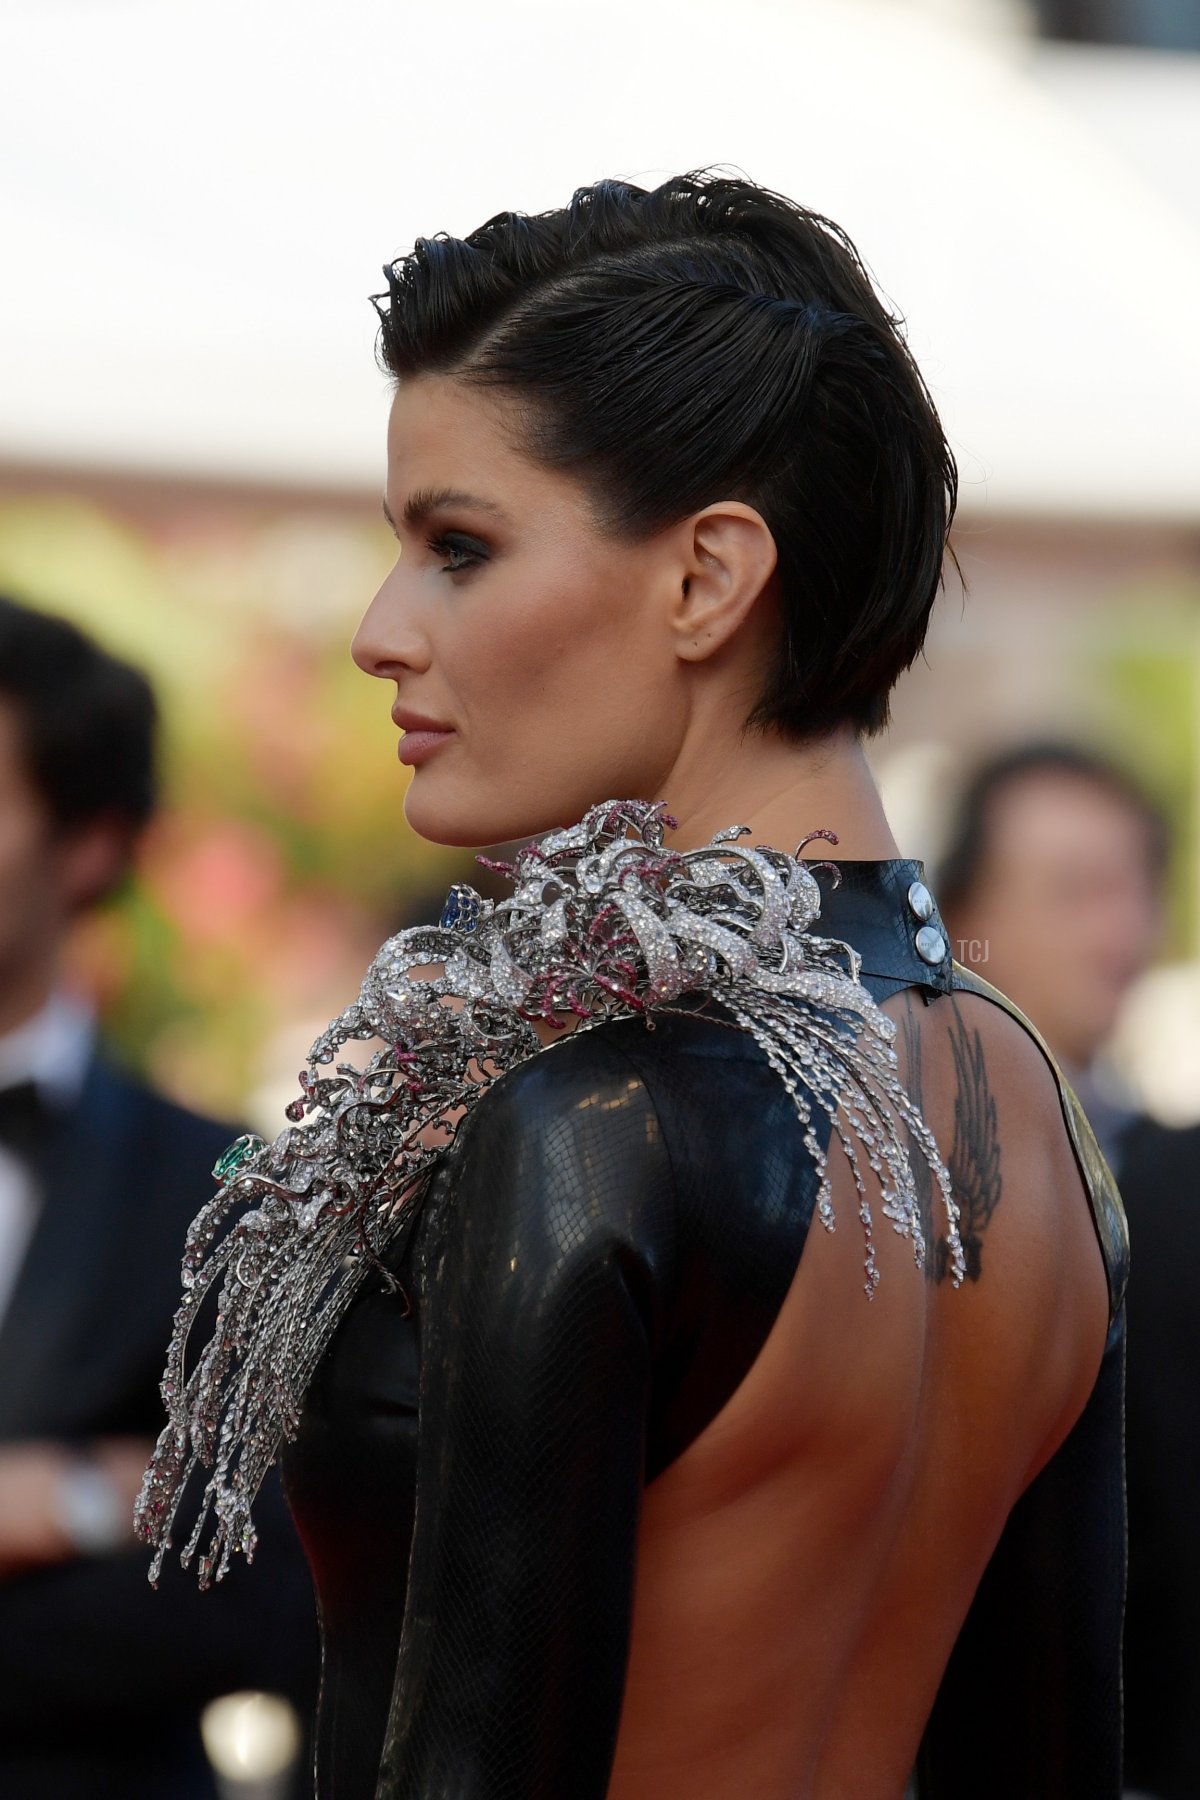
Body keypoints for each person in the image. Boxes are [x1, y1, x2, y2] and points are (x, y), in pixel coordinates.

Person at [141, 171, 1126, 1798]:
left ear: (706, 579)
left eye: (459, 546)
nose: (384, 631)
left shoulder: (599, 1116)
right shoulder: (1027, 1098)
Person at [0, 594, 318, 1799]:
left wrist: (67, 1503)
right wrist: (111, 1491)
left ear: (89, 843)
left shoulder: (218, 1190)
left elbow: (264, 1589)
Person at [940, 741, 1200, 1800]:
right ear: (961, 918)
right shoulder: (871, 1179)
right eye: (1077, 892)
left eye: (1137, 887)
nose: (1123, 930)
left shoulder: (1175, 1181)